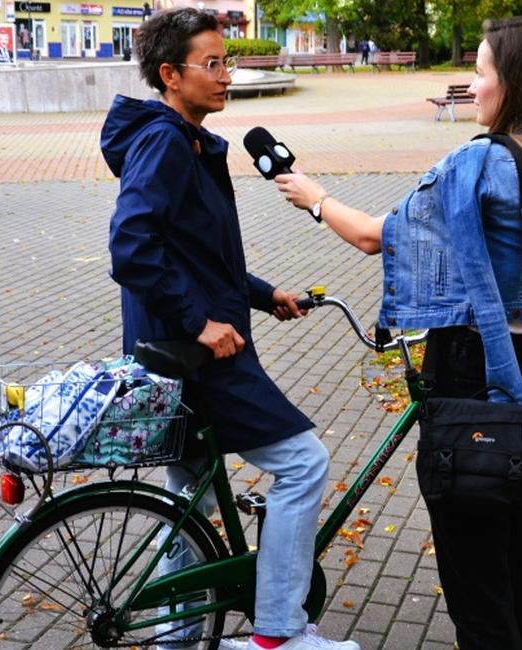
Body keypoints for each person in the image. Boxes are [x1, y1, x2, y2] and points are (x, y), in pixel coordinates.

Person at [275, 17, 522, 650]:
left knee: (473, 571)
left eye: (482, 73)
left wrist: (316, 198)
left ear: (512, 85)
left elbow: (378, 236)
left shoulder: (481, 162)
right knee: (520, 553)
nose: (474, 86)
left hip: (469, 369)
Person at [100, 8, 359, 650]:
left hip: (180, 351)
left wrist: (266, 296)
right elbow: (131, 246)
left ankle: (174, 636)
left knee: (188, 495)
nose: (226, 75)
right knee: (303, 463)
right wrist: (202, 322)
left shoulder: (183, 139)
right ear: (170, 74)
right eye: (212, 64)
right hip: (197, 354)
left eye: (227, 62)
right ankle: (277, 632)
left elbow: (197, 256)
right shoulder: (164, 140)